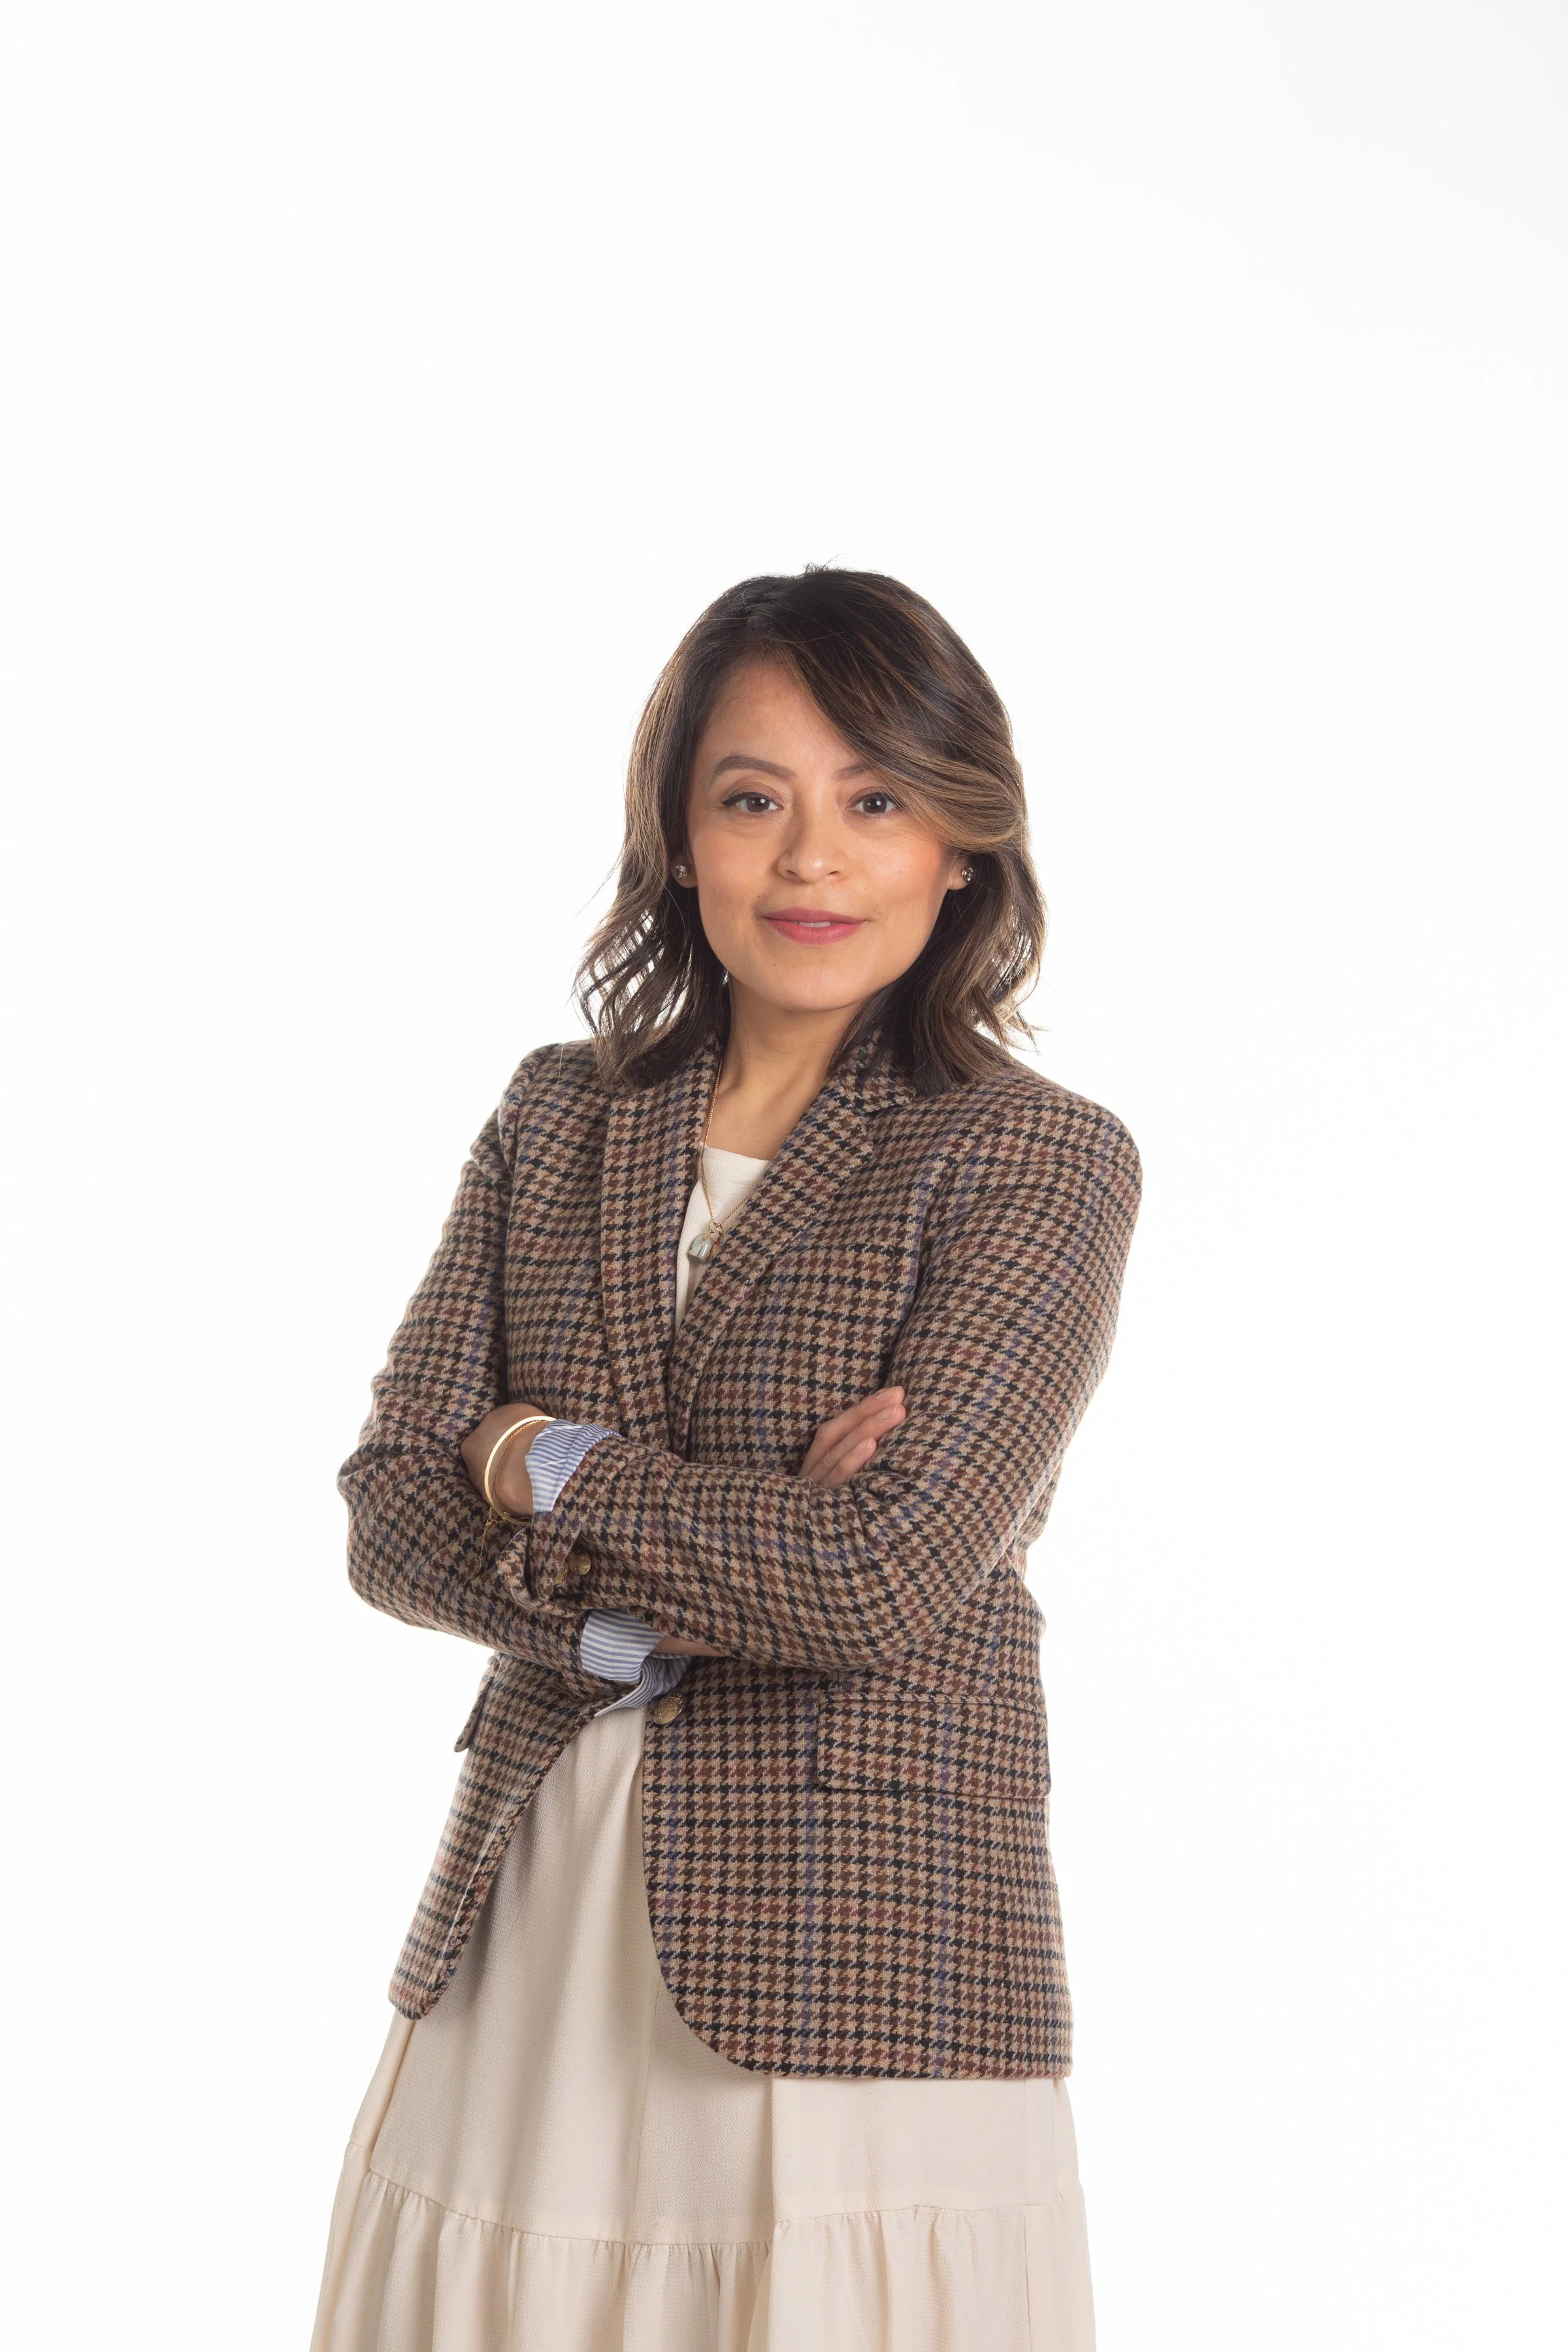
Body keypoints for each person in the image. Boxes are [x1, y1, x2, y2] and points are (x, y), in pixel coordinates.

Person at [309, 566, 1143, 2351]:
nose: (812, 858)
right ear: (679, 841)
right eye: (752, 799)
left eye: (879, 800)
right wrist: (695, 1565)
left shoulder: (1032, 1160)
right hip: (534, 1927)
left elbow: (884, 1575)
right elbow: (387, 1509)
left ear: (964, 849)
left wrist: (540, 1459)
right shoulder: (561, 1115)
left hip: (868, 1949)